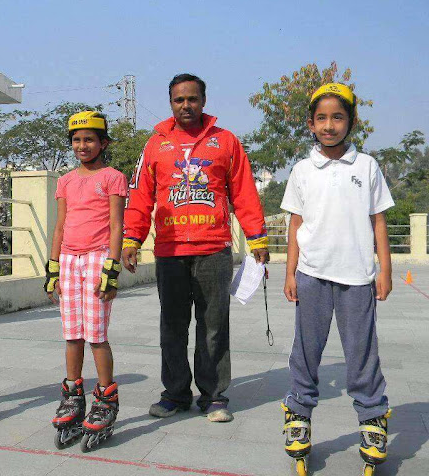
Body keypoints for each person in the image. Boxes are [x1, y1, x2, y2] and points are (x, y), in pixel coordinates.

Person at [122, 74, 269, 423]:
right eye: (179, 100)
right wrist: (132, 238)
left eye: (192, 99)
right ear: (170, 103)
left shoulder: (226, 142)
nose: (186, 105)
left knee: (214, 325)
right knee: (172, 326)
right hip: (170, 252)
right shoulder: (155, 144)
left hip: (213, 250)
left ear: (204, 101)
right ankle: (175, 393)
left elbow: (244, 192)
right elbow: (141, 195)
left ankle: (214, 396)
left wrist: (257, 237)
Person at [280, 83, 393, 476]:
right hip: (311, 274)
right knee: (306, 350)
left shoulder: (367, 167)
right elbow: (296, 222)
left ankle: (373, 418)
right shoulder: (302, 169)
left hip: (357, 277)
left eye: (338, 117)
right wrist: (290, 271)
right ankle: (298, 412)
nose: (330, 125)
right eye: (322, 118)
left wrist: (385, 270)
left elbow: (378, 220)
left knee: (361, 352)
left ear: (351, 121)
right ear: (311, 123)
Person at [45, 111, 127, 451]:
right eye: (77, 140)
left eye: (90, 139)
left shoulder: (112, 177)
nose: (83, 145)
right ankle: (73, 395)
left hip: (97, 258)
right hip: (68, 259)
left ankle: (106, 399)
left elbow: (116, 226)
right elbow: (60, 225)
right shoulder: (65, 180)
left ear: (103, 142)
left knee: (95, 335)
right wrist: (52, 269)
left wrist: (112, 269)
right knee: (72, 334)